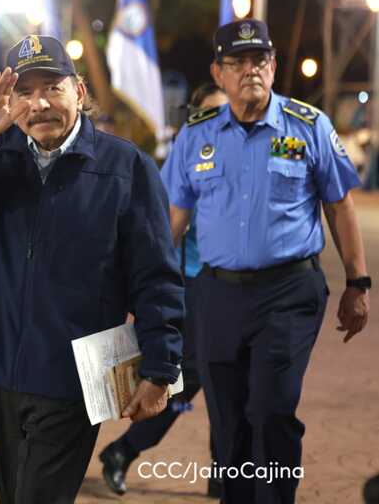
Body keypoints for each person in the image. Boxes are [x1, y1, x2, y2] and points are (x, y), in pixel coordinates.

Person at [0, 35, 185, 504]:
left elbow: (156, 275)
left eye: (52, 88)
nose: (39, 104)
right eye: (24, 92)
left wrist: (161, 368)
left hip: (75, 373)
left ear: (78, 92)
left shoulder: (127, 167)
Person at [164, 19, 370, 504]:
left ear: (274, 66)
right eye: (237, 62)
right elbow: (172, 221)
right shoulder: (196, 135)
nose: (250, 70)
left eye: (259, 60)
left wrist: (357, 282)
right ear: (218, 73)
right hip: (217, 294)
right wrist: (146, 289)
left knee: (271, 409)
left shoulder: (308, 126)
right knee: (229, 420)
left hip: (287, 293)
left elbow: (340, 205)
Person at [99, 82, 228, 499]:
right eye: (209, 112)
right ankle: (124, 450)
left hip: (239, 290)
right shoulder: (188, 156)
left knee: (231, 382)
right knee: (194, 378)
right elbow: (163, 228)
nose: (218, 120)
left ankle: (225, 473)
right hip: (193, 283)